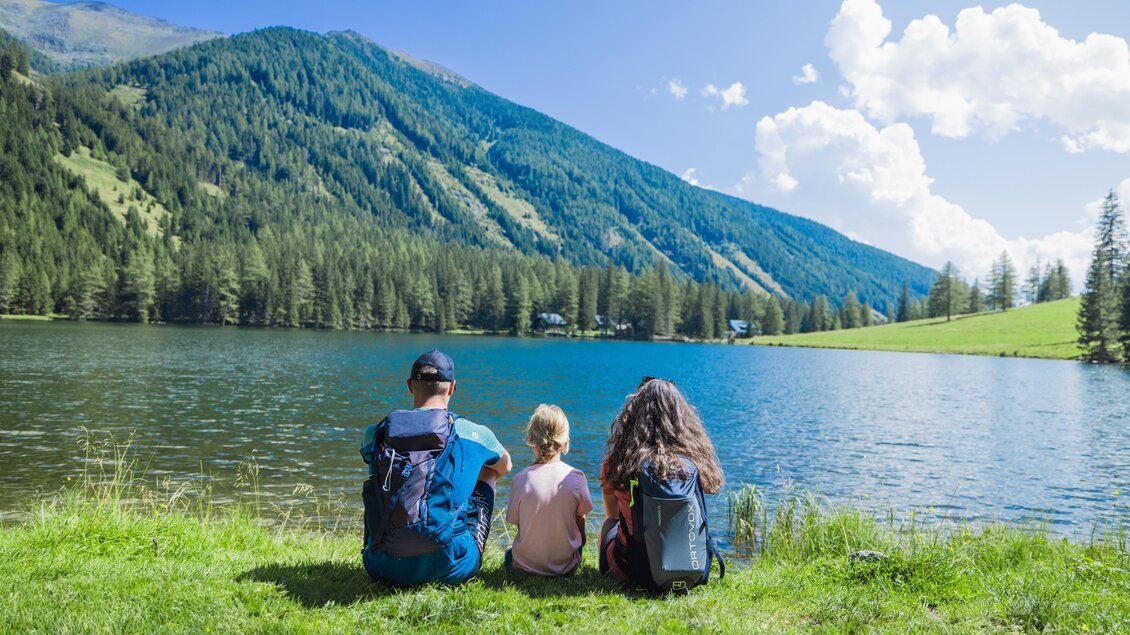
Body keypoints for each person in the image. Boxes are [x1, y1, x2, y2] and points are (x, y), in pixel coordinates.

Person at [360, 349, 512, 586]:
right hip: (452, 566)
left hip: (381, 567)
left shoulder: (377, 432)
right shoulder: (475, 434)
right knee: (489, 470)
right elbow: (506, 466)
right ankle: (461, 541)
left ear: (410, 386)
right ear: (452, 388)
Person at [598, 377, 725, 590]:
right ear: (681, 417)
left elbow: (612, 515)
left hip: (633, 569)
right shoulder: (694, 461)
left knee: (609, 523)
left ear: (634, 415)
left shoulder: (617, 461)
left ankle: (609, 569)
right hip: (691, 568)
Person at [504, 404, 593, 576]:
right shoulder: (576, 478)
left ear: (531, 438)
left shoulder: (520, 479)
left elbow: (519, 525)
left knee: (509, 552)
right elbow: (580, 524)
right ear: (565, 441)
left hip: (525, 565)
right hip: (566, 566)